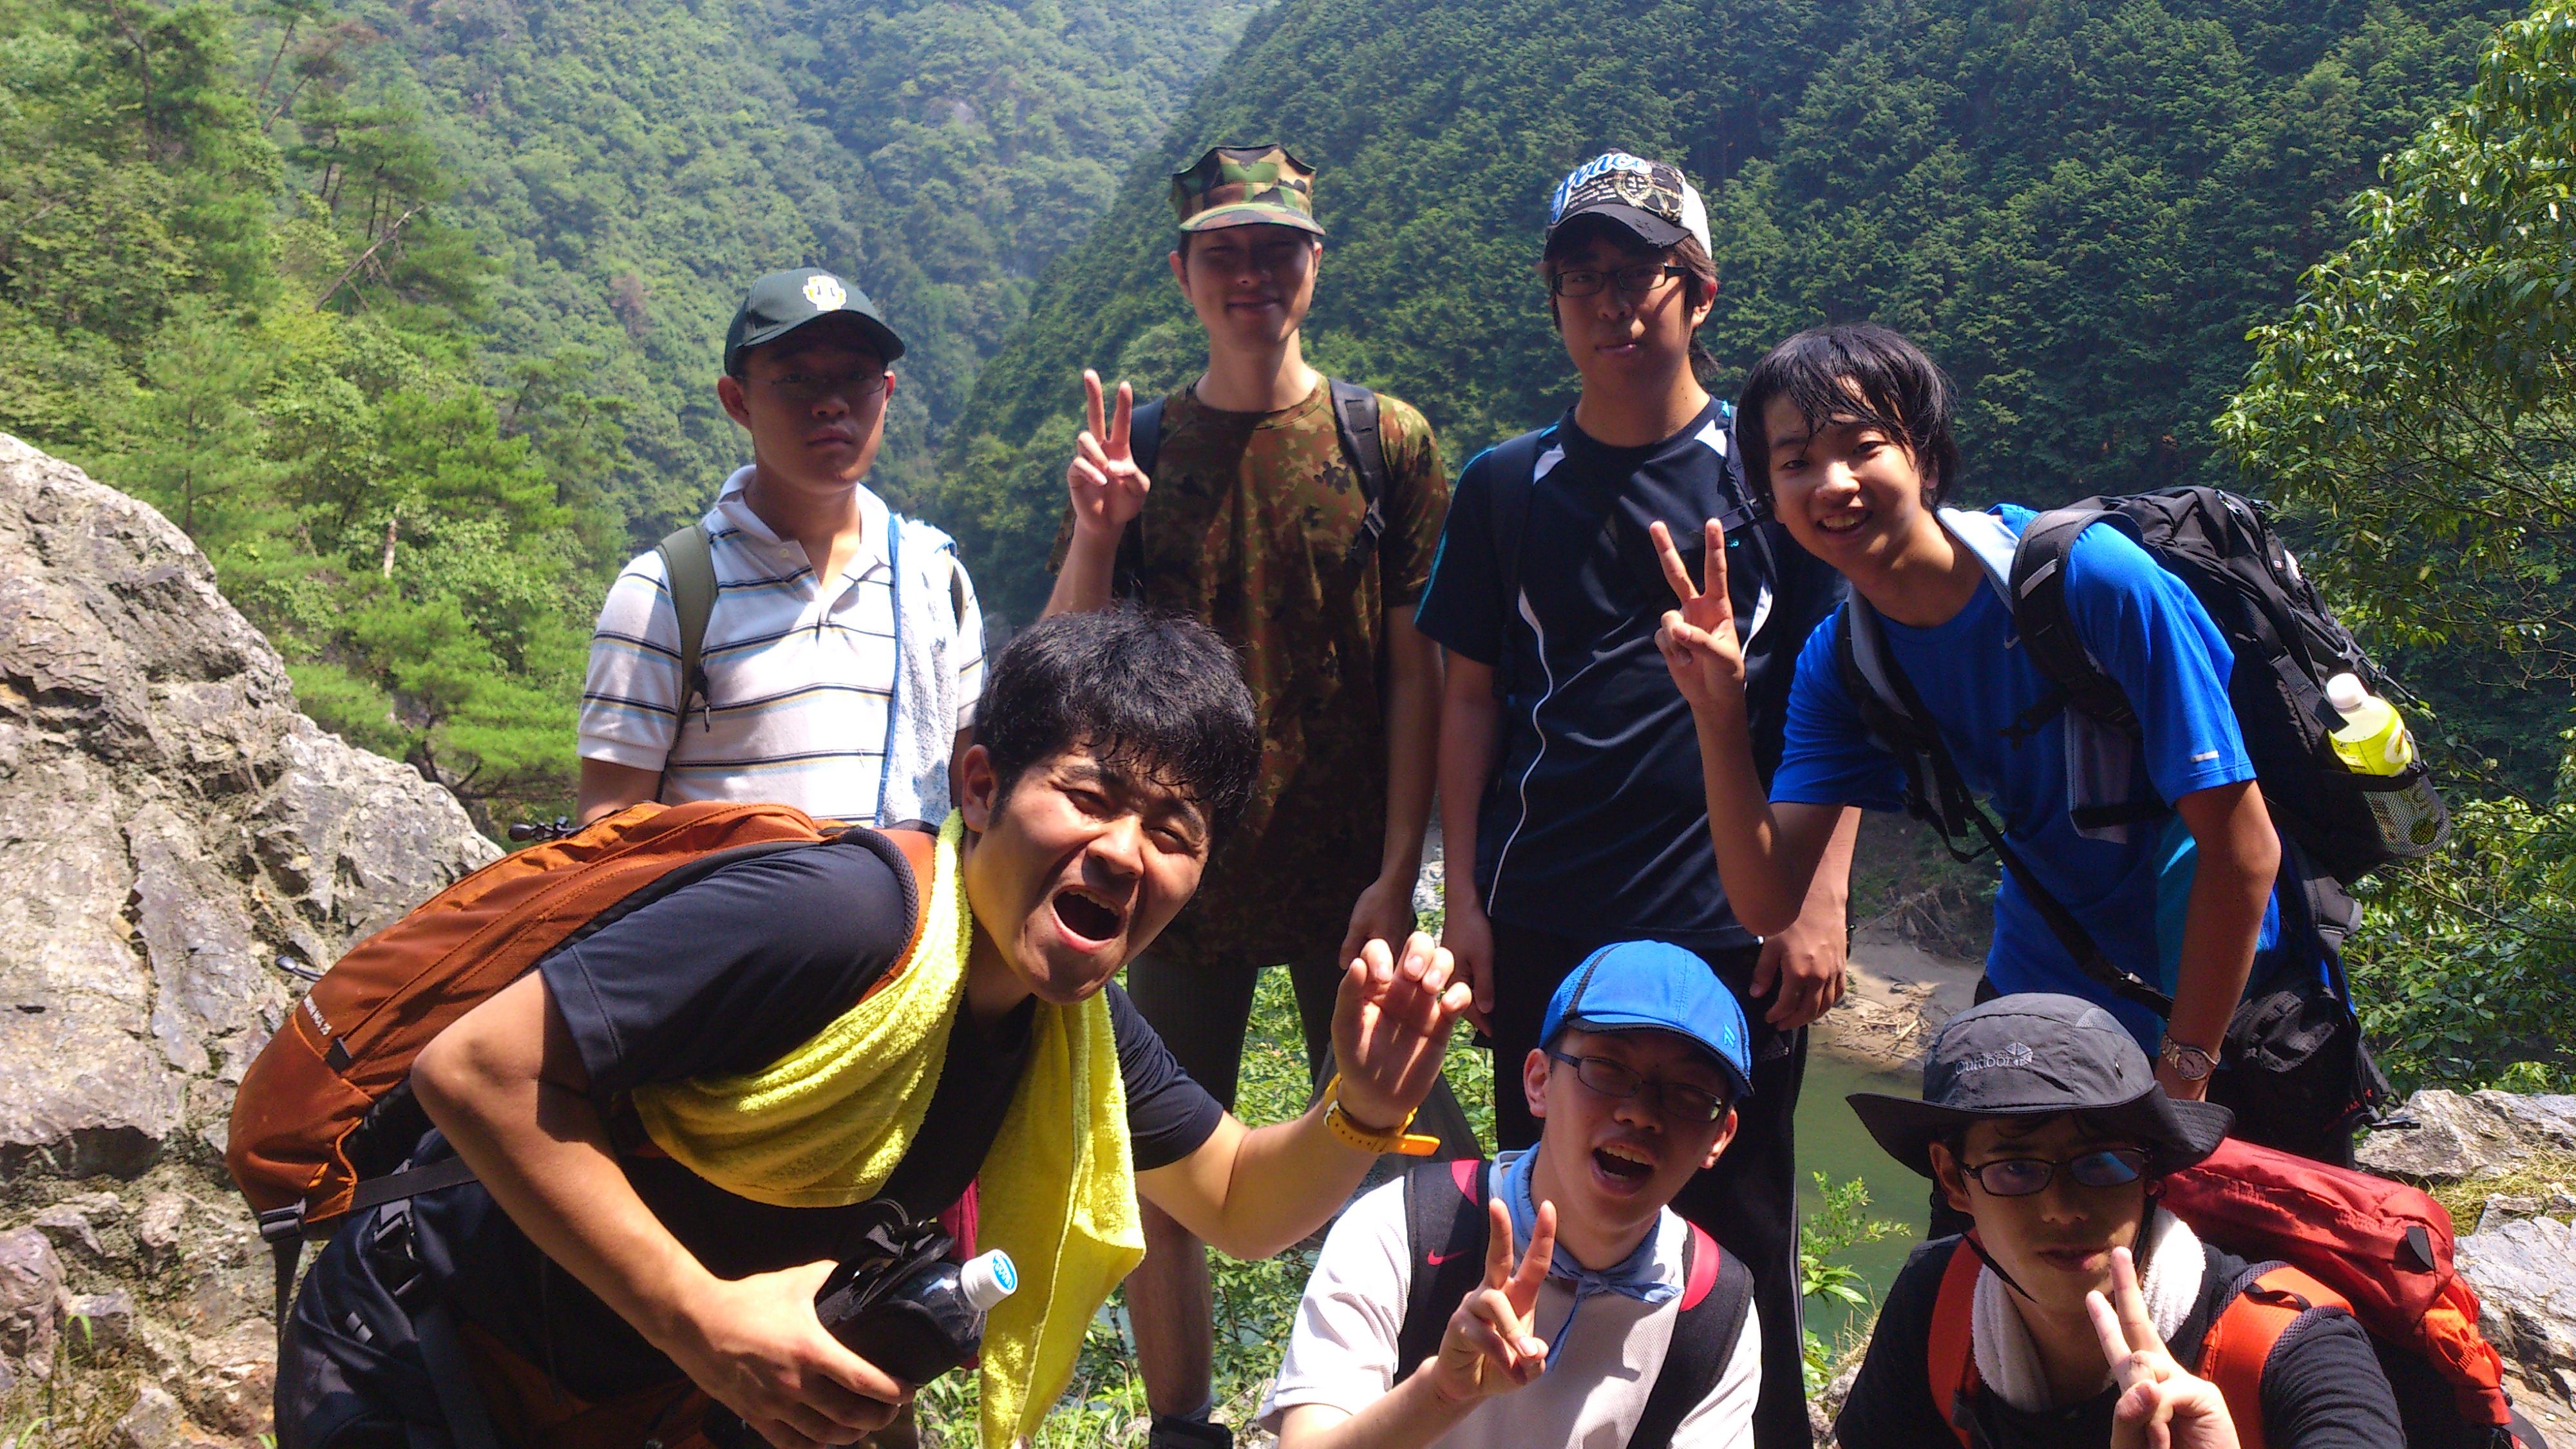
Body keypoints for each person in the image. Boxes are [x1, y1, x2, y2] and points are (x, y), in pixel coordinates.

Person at [276, 609, 1474, 1449]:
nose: (1125, 851)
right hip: (422, 1348)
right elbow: (474, 1069)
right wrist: (703, 1320)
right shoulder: (841, 918)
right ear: (980, 785)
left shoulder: (1074, 1025)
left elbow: (1240, 1202)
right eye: (1092, 796)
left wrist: (1360, 1108)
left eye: (1175, 831)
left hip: (640, 1397)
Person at [1649, 323, 2348, 1157]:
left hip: (2216, 1001)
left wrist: (2185, 1077)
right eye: (1794, 461)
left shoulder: (2092, 581)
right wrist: (1719, 711)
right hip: (2039, 994)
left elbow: (2242, 849)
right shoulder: (1843, 660)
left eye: (1862, 446)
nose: (1830, 483)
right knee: (1976, 1262)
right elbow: (1768, 900)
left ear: (1926, 460)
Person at [1411, 151, 1850, 1449]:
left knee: (1741, 1223)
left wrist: (1819, 900)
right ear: (1552, 303)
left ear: (1697, 291)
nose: (1612, 304)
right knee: (1550, 1225)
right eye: (1581, 278)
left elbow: (1839, 702)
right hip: (1548, 920)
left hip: (1733, 923)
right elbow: (1469, 701)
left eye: (1639, 275)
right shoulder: (1503, 489)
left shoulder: (1768, 478)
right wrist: (1464, 904)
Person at [1045, 144, 1464, 1448]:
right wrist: (1095, 532)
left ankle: (1429, 1396)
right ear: (1182, 272)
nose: (1250, 274)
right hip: (1174, 881)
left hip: (1349, 874)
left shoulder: (1381, 441)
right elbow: (1058, 679)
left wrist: (1401, 871)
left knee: (1422, 1152)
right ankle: (1185, 1428)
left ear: (1312, 265)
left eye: (1274, 248)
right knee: (1161, 1175)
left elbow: (1419, 674)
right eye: (1222, 250)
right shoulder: (1147, 448)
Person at [1833, 993, 2403, 1449]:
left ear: (2152, 1173)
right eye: (2015, 1168)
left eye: (2102, 1163)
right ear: (1955, 1180)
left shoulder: (2294, 1349)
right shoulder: (1937, 1304)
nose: (2062, 1208)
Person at [1261, 940, 1766, 1449]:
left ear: (1720, 1136)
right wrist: (1441, 1395)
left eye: (1688, 1094)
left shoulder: (1712, 1312)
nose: (1641, 1114)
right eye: (1608, 1070)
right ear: (1539, 1081)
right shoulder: (1403, 1230)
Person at [578, 267, 981, 828]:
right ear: (736, 401)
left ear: (886, 393)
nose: (831, 404)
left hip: (911, 913)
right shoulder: (665, 593)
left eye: (857, 377)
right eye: (796, 379)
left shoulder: (937, 586)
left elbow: (976, 802)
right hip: (726, 915)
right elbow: (608, 826)